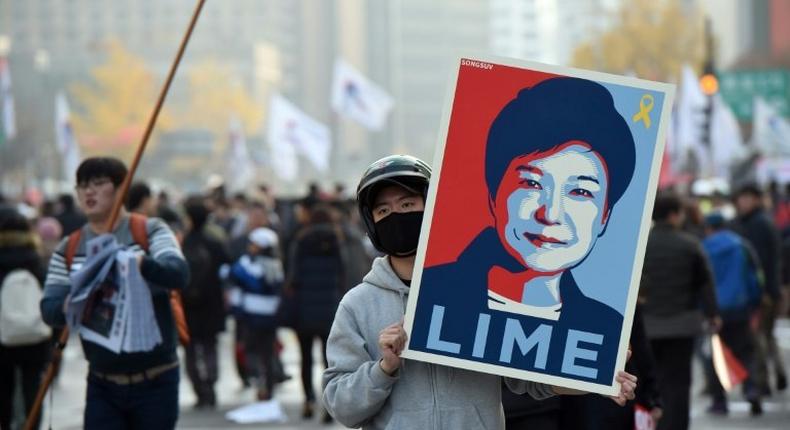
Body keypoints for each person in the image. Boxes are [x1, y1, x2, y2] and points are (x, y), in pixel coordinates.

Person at [322, 155, 637, 429]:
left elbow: (531, 377)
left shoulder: (481, 292)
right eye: (383, 211)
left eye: (407, 204)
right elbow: (342, 408)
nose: (397, 216)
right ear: (372, 223)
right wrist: (384, 368)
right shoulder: (357, 305)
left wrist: (597, 373)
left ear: (430, 206)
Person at [409, 77, 635, 386]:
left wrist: (607, 383)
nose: (551, 213)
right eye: (531, 184)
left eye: (581, 192)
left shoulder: (605, 329)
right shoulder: (425, 297)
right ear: (493, 194)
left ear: (606, 214)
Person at [40, 157, 189, 429]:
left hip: (156, 380)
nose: (89, 192)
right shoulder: (69, 247)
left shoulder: (150, 230)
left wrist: (141, 264)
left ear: (122, 189)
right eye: (82, 186)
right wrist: (73, 303)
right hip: (102, 383)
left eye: (98, 184)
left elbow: (178, 274)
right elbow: (49, 308)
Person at [641, 194, 719, 430]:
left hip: (646, 326)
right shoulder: (690, 244)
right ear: (674, 214)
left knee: (647, 380)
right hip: (682, 325)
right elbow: (705, 283)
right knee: (678, 383)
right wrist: (713, 314)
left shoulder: (641, 243)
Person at [285, 204, 346, 421]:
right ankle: (328, 406)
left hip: (304, 309)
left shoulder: (301, 241)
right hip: (329, 308)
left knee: (305, 357)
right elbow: (342, 273)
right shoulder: (336, 241)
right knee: (327, 360)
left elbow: (293, 276)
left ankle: (308, 400)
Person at [701, 212, 763, 414]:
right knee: (745, 351)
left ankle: (720, 401)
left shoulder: (703, 248)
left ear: (709, 228)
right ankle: (751, 388)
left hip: (714, 311)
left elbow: (699, 282)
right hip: (740, 307)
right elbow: (755, 277)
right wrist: (755, 303)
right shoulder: (741, 245)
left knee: (717, 355)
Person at [731, 184, 787, 394]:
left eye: (746, 198)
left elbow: (760, 263)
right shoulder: (762, 222)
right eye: (740, 198)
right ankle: (779, 374)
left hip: (761, 292)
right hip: (769, 289)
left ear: (756, 199)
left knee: (758, 338)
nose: (741, 203)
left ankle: (763, 382)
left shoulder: (758, 225)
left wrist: (761, 291)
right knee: (767, 335)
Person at [0, 207, 51, 430]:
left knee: (4, 390)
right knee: (33, 389)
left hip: (2, 339)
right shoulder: (36, 260)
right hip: (35, 338)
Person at [181, 196, 231, 409]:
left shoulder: (181, 243)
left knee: (190, 349)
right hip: (212, 301)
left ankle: (199, 390)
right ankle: (210, 385)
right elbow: (228, 265)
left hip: (187, 304)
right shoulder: (214, 242)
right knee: (210, 345)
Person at [225, 227, 284, 401]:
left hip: (261, 316)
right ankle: (262, 384)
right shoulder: (254, 262)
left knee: (262, 353)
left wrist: (239, 273)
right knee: (256, 352)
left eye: (254, 243)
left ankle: (265, 385)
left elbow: (256, 283)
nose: (250, 246)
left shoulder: (270, 264)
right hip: (254, 316)